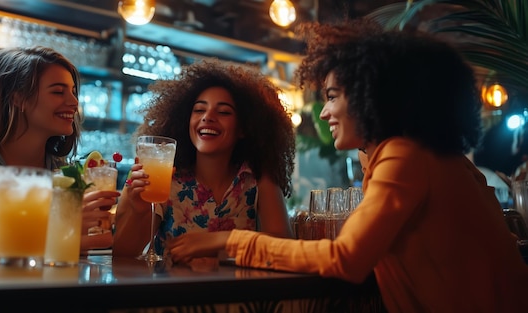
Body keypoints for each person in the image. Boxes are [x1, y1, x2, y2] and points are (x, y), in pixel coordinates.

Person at [166, 20, 528, 312]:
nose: (324, 113)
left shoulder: (404, 155)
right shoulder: (420, 153)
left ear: (372, 94)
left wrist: (229, 240)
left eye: (333, 97)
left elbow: (346, 259)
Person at [113, 59, 295, 258]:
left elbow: (283, 248)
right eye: (199, 110)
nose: (207, 117)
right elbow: (123, 256)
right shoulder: (167, 176)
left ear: (244, 128)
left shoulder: (258, 177)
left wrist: (216, 242)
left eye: (224, 112)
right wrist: (138, 210)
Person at [0, 46, 117, 257]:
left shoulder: (63, 172)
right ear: (18, 98)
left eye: (73, 92)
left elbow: (73, 257)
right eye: (58, 91)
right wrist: (61, 233)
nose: (74, 102)